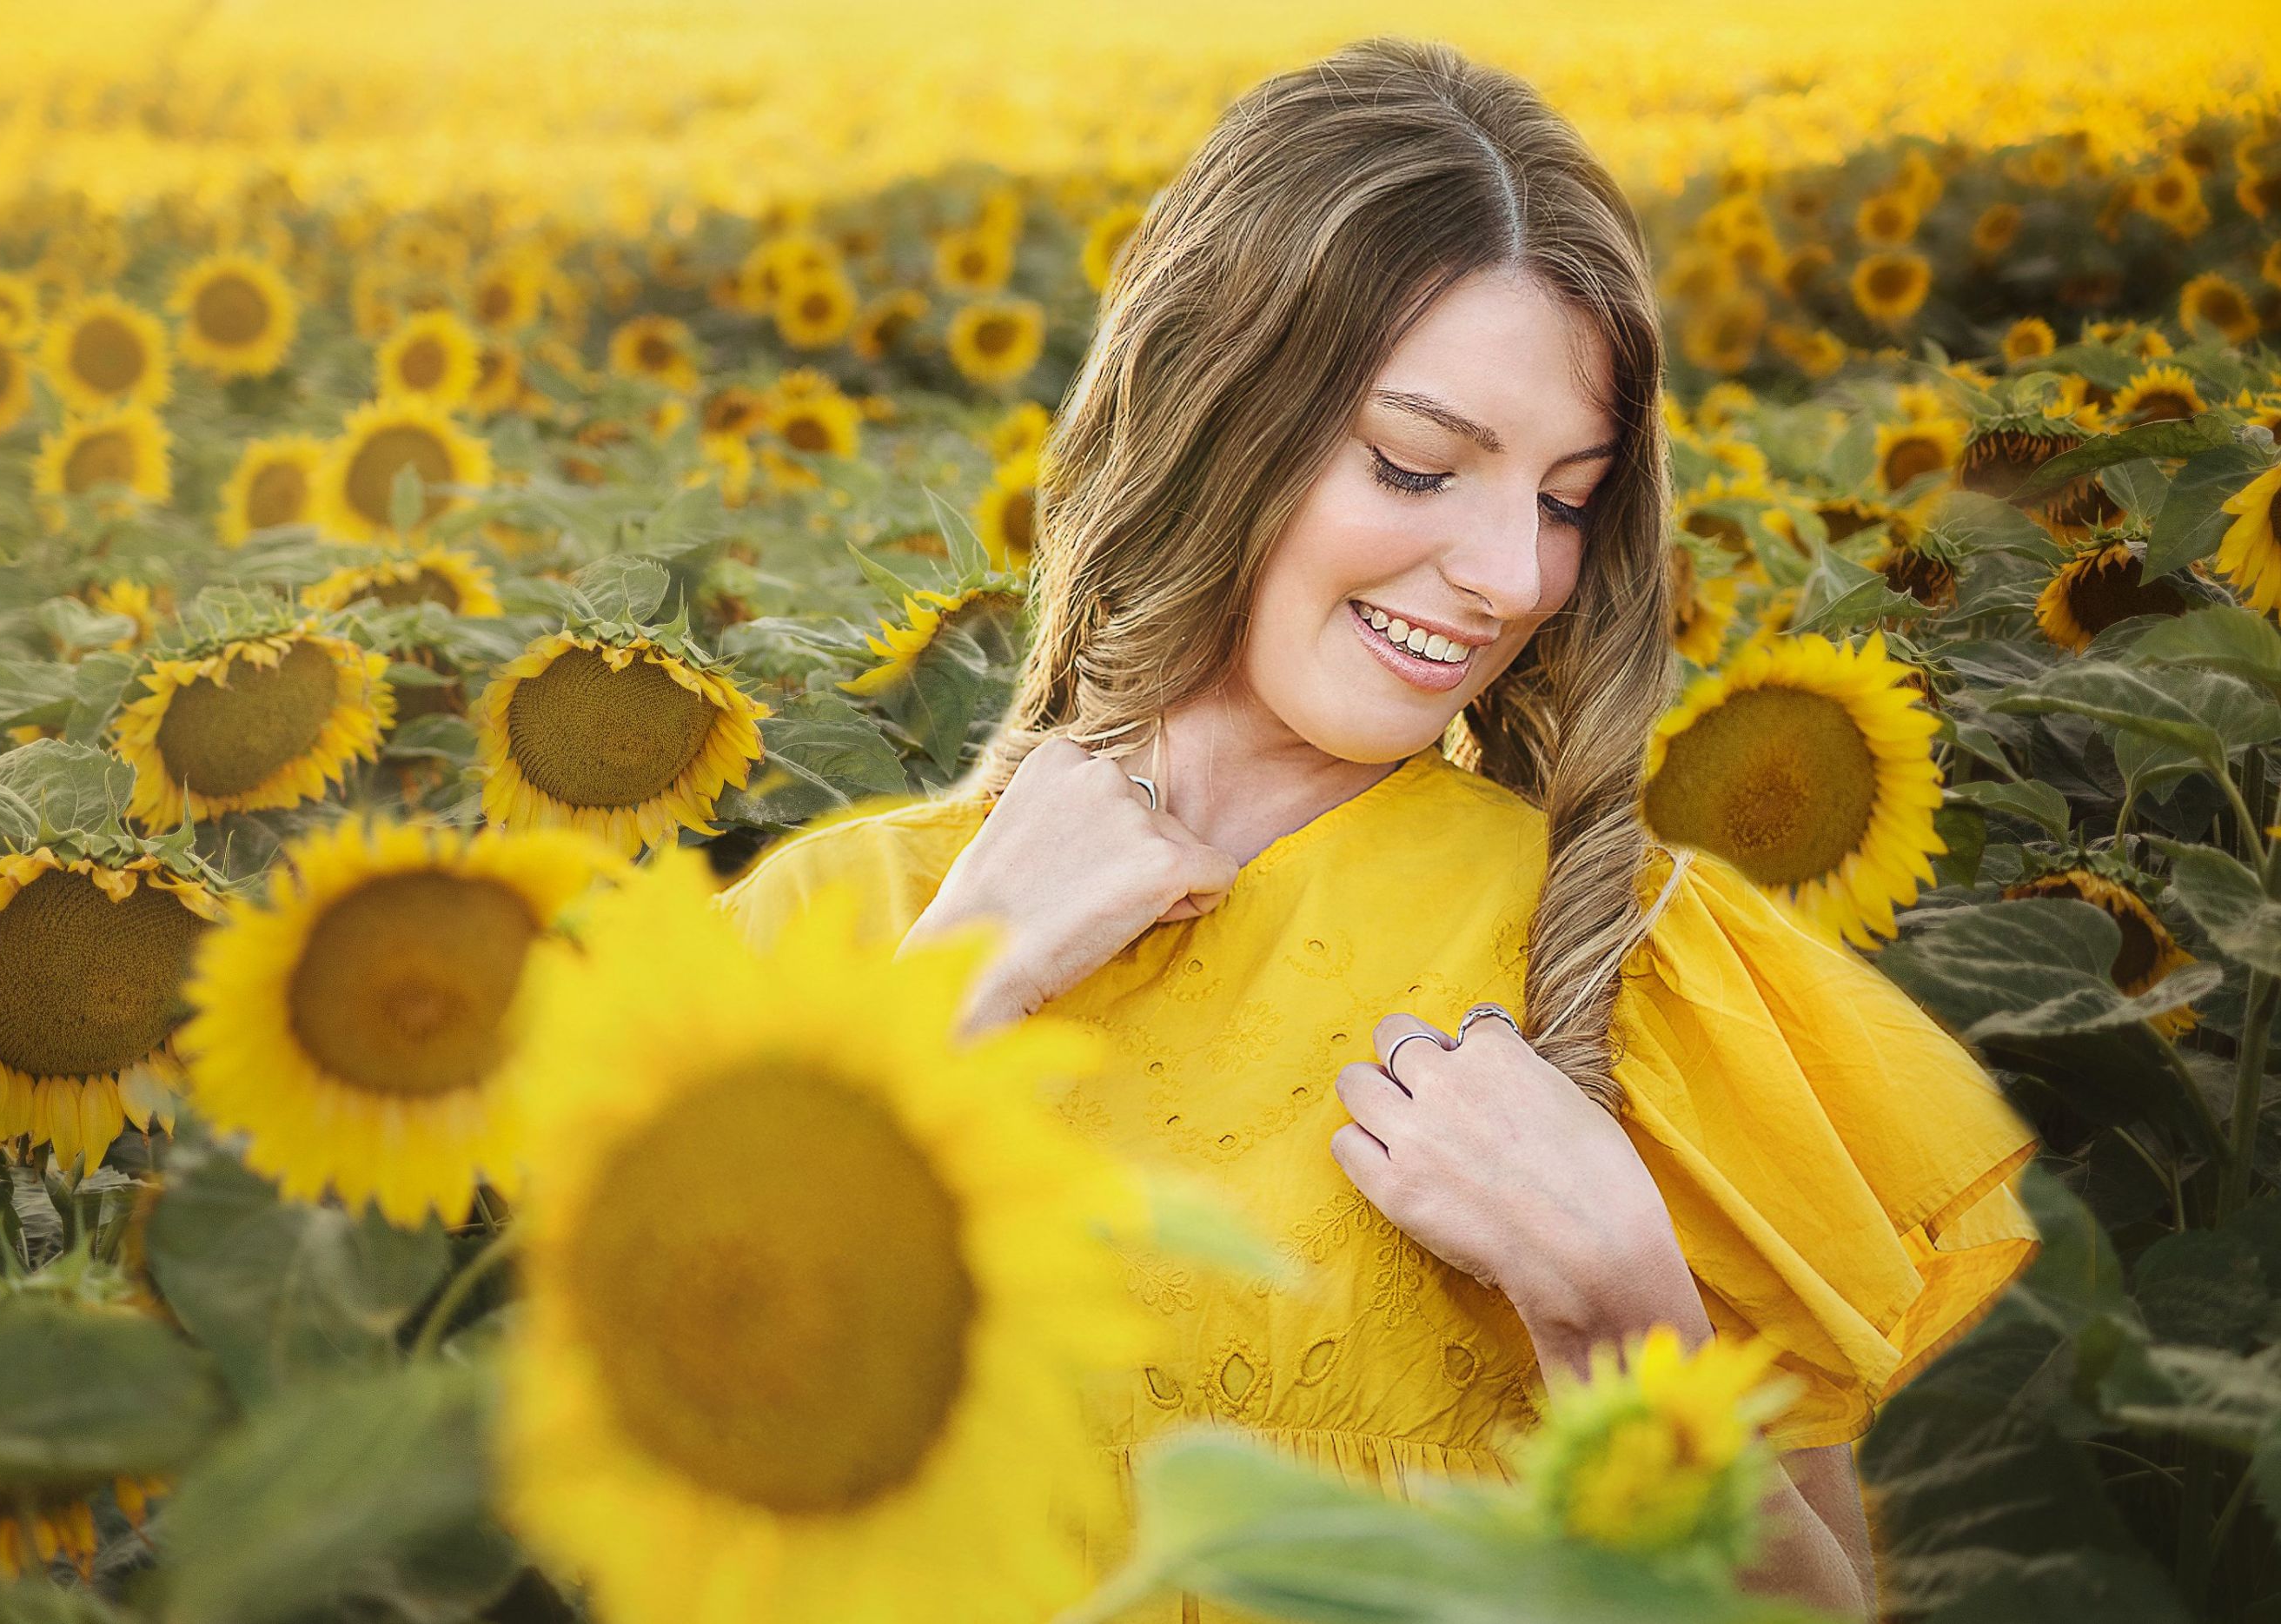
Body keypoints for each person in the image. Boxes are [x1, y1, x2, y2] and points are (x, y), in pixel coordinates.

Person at [718, 36, 2038, 1621]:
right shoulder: (832, 933)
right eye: (1419, 464)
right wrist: (944, 1005)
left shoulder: (1640, 969)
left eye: (1565, 498)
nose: (1509, 574)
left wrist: (1630, 1325)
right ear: (1215, 413)